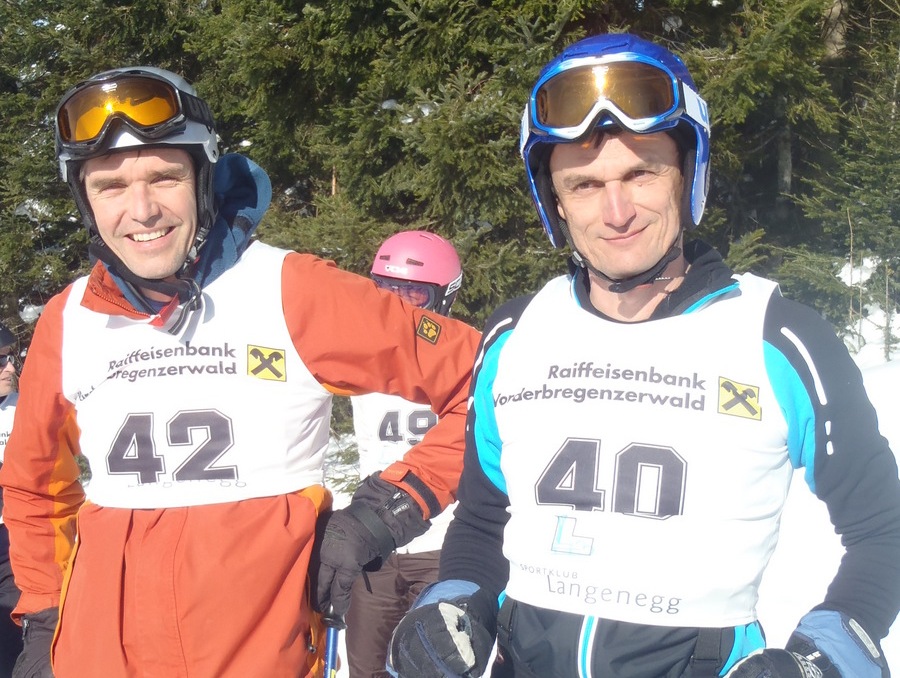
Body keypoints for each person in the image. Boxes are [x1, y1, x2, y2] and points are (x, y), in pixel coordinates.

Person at [386, 33, 900, 678]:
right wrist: (455, 602)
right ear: (555, 203)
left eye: (641, 173)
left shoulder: (779, 340)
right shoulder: (516, 334)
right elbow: (485, 519)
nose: (617, 212)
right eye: (583, 185)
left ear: (687, 176)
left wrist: (826, 654)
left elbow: (883, 528)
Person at [0, 66, 479, 677]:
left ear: (202, 178)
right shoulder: (68, 318)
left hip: (258, 655)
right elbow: (34, 487)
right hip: (98, 658)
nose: (141, 210)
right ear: (85, 201)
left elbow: (489, 382)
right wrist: (45, 619)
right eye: (110, 186)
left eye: (165, 177)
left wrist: (386, 511)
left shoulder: (290, 289)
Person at [346, 230, 464, 677]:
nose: (396, 306)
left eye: (412, 294)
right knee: (365, 668)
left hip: (441, 547)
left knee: (432, 667)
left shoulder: (466, 357)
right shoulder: (355, 354)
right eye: (385, 289)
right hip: (375, 545)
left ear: (444, 296)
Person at [0, 323, 22, 676]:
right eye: (1, 360)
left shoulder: (23, 408)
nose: (10, 367)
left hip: (12, 542)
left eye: (10, 358)